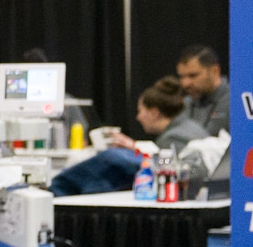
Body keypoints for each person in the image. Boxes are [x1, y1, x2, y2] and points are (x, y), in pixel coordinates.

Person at [52, 78, 210, 195]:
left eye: (141, 111)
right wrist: (134, 147)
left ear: (154, 112)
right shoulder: (191, 128)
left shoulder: (172, 139)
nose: (138, 117)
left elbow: (163, 172)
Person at [175, 44, 229, 136]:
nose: (185, 83)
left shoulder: (236, 103)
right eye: (182, 77)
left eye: (193, 75)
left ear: (214, 71)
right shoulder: (184, 104)